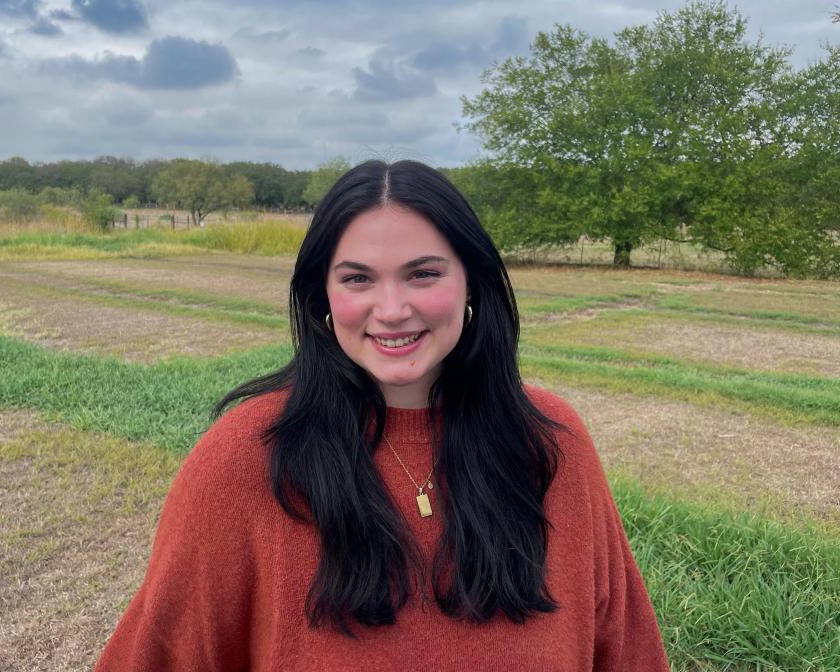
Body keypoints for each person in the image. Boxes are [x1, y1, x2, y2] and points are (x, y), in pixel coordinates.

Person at [94, 160, 670, 671]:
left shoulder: (551, 444)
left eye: (423, 273)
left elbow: (627, 651)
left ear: (471, 282)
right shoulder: (244, 458)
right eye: (358, 278)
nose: (392, 311)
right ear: (322, 296)